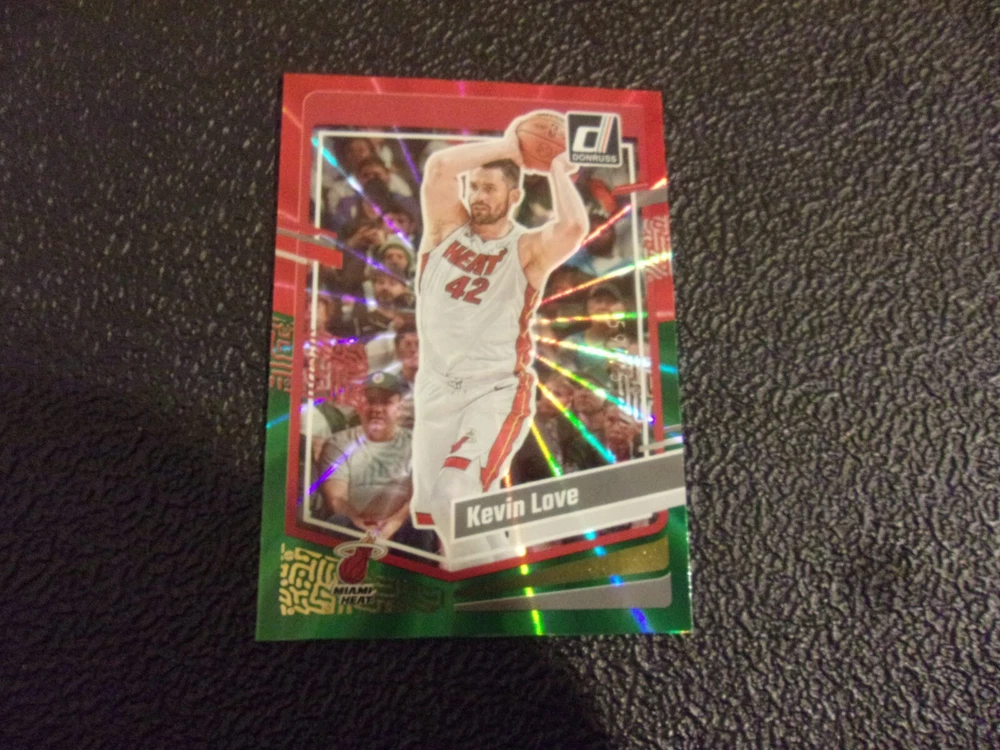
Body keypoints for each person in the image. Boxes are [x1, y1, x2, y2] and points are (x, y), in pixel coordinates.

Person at [410, 112, 589, 569]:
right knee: (464, 522)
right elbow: (439, 168)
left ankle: (491, 593)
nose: (477, 196)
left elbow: (573, 228)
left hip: (493, 391)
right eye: (474, 187)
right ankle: (510, 591)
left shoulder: (527, 249)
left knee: (452, 499)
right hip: (434, 390)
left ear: (514, 196)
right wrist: (512, 147)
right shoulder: (444, 229)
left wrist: (554, 167)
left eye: (489, 188)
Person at [316, 372, 435, 551]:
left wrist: (394, 523)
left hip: (401, 527)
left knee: (421, 524)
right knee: (337, 522)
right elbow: (337, 498)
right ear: (359, 406)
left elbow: (418, 496)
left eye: (386, 402)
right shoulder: (338, 443)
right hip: (354, 526)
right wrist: (361, 526)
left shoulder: (418, 444)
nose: (377, 409)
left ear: (399, 408)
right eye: (370, 401)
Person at [563, 283, 632, 389]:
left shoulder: (633, 344)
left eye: (610, 302)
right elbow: (567, 383)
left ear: (621, 308)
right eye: (598, 301)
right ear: (588, 308)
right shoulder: (571, 343)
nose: (603, 306)